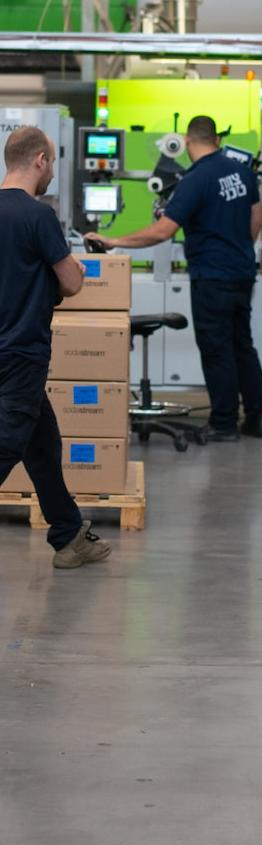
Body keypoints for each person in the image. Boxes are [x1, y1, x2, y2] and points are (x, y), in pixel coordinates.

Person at [85, 115, 262, 442]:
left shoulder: (196, 179)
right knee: (242, 344)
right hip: (242, 271)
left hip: (212, 276)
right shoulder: (242, 171)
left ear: (186, 141)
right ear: (215, 138)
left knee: (217, 349)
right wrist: (239, 246)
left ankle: (224, 424)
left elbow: (163, 230)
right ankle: (257, 418)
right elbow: (257, 215)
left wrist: (114, 241)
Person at [0, 126, 111, 569]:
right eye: (51, 165)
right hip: (21, 352)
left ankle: (68, 535)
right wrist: (61, 276)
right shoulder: (37, 215)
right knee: (7, 443)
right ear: (41, 160)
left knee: (43, 444)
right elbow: (72, 281)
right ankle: (68, 535)